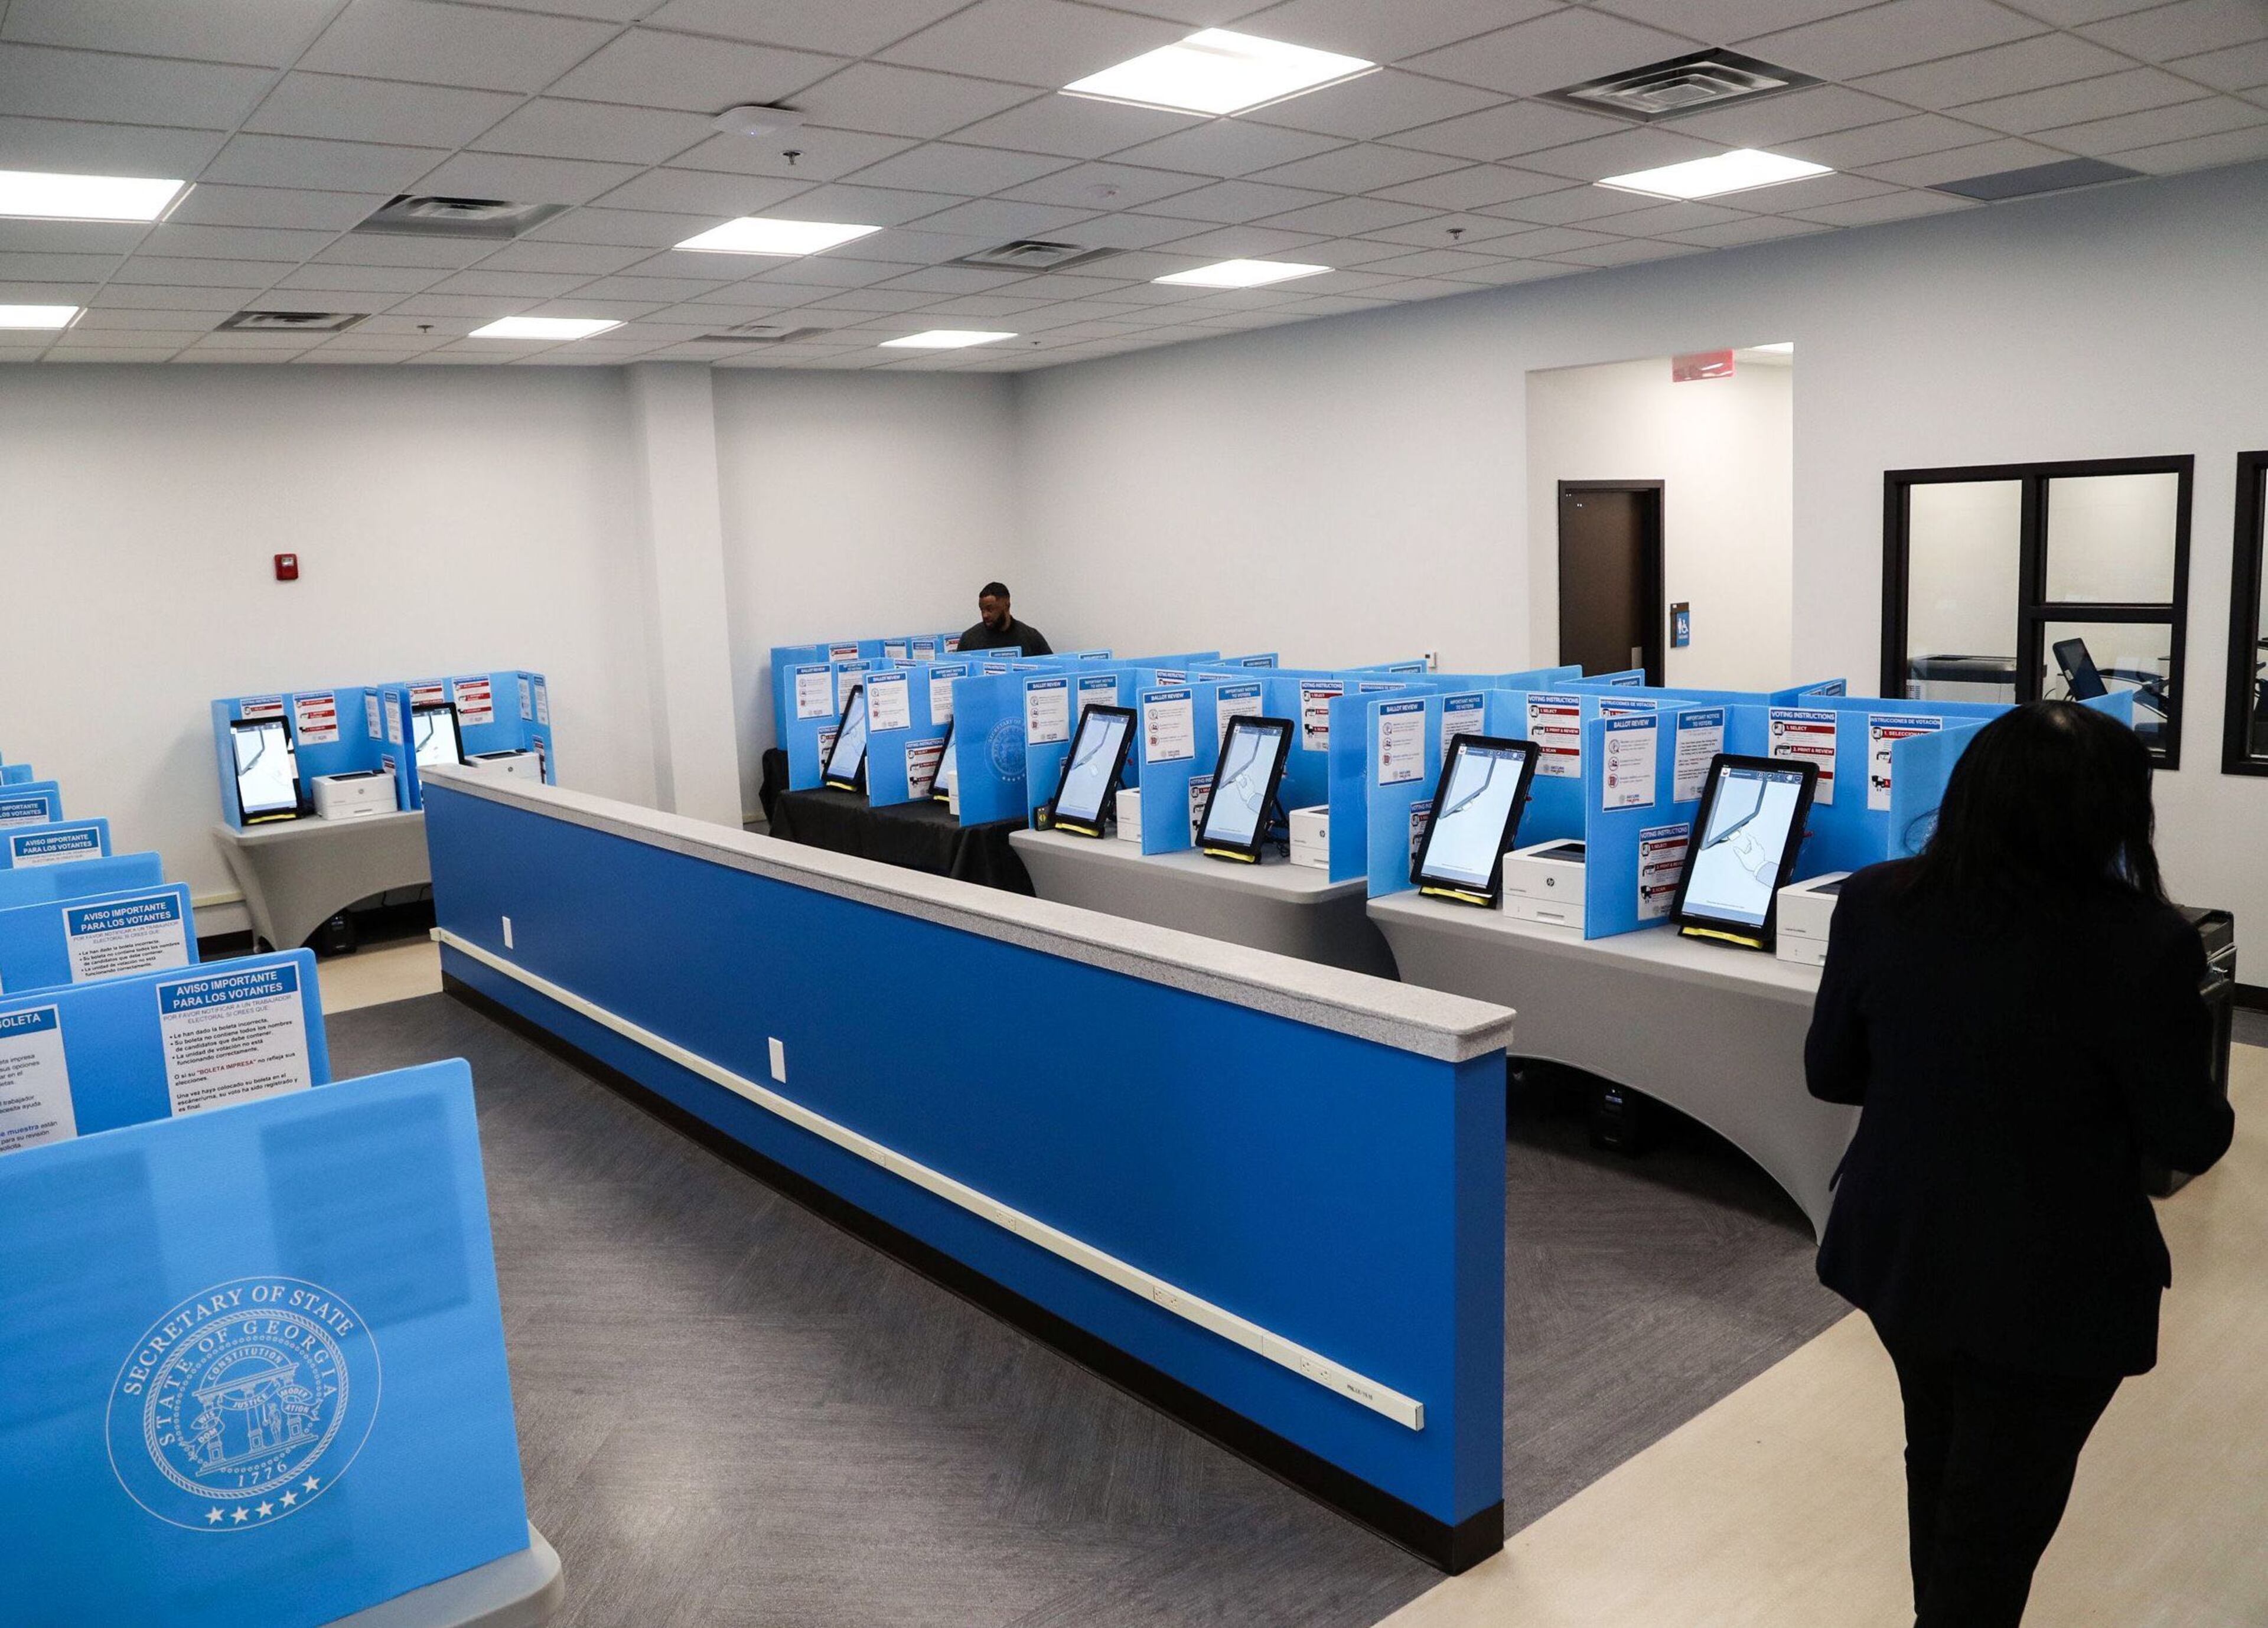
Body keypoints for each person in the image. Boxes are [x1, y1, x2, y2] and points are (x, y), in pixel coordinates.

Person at [1806, 700, 2232, 1627]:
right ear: (2115, 814)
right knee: (1999, 1517)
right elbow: (2188, 1138)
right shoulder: (2146, 942)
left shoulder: (1878, 900)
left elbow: (1830, 1073)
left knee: (1944, 1463)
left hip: (1903, 1252)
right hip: (2054, 1288)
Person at [958, 581, 1051, 657]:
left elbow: (1051, 673)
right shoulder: (969, 639)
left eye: (990, 609)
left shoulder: (1031, 638)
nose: (985, 615)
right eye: (982, 610)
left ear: (1007, 605)